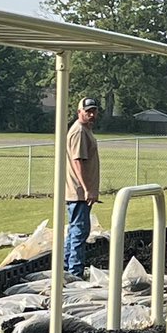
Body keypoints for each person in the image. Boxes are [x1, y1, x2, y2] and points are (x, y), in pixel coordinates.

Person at [64, 97, 101, 279]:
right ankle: (74, 274)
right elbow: (78, 161)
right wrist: (87, 189)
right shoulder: (79, 131)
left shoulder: (85, 130)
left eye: (94, 111)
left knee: (75, 231)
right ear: (80, 112)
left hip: (80, 192)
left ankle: (65, 271)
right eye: (88, 111)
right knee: (79, 232)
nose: (92, 114)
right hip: (78, 192)